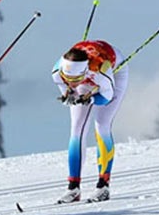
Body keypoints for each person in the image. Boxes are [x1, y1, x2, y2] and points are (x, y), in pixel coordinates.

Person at [51, 40, 129, 204]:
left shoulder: (100, 71)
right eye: (68, 79)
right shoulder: (57, 72)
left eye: (76, 79)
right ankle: (73, 188)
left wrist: (91, 99)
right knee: (77, 130)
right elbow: (67, 87)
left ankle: (103, 186)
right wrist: (69, 95)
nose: (72, 83)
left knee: (102, 125)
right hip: (87, 78)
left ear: (84, 72)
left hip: (114, 74)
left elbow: (106, 98)